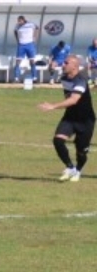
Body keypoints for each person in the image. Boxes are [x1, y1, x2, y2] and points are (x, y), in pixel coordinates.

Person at [39, 54, 94, 183]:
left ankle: (78, 170)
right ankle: (70, 167)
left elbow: (74, 100)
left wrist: (53, 106)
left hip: (86, 120)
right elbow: (68, 98)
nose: (63, 64)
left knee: (81, 151)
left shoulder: (81, 80)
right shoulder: (64, 78)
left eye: (66, 63)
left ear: (75, 66)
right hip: (70, 117)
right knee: (57, 140)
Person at [14, 15, 39, 82]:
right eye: (18, 21)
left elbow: (37, 28)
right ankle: (16, 78)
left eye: (20, 21)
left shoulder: (30, 24)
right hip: (21, 45)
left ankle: (34, 77)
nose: (19, 22)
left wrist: (35, 37)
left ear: (23, 20)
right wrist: (17, 40)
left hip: (29, 44)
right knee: (18, 61)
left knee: (32, 61)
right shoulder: (17, 26)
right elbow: (15, 31)